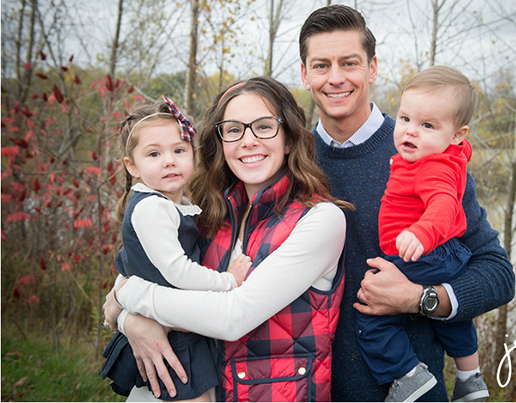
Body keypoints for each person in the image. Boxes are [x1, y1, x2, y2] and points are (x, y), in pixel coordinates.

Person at [299, 4, 515, 401]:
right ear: (305, 74)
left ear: (372, 68)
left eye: (349, 63)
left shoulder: (427, 153)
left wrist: (421, 298)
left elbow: (497, 275)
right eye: (321, 65)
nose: (336, 78)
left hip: (411, 393)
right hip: (308, 390)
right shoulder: (290, 160)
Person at [103, 76, 351, 402]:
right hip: (195, 388)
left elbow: (232, 317)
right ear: (220, 142)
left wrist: (128, 299)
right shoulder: (209, 213)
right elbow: (140, 273)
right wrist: (129, 319)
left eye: (264, 127)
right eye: (233, 130)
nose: (248, 141)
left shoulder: (320, 220)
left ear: (289, 139)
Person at [101, 97, 252, 401]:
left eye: (179, 150)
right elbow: (178, 272)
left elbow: (128, 264)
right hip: (173, 335)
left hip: (172, 322)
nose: (169, 161)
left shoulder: (174, 206)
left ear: (193, 156)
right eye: (154, 154)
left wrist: (120, 301)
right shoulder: (152, 208)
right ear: (132, 166)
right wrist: (228, 281)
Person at [355, 66, 488, 402]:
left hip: (423, 253)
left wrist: (421, 233)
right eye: (404, 119)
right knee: (452, 320)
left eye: (427, 125)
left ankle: (408, 375)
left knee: (372, 316)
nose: (410, 131)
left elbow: (443, 204)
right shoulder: (445, 156)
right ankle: (470, 377)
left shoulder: (431, 167)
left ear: (457, 135)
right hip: (446, 254)